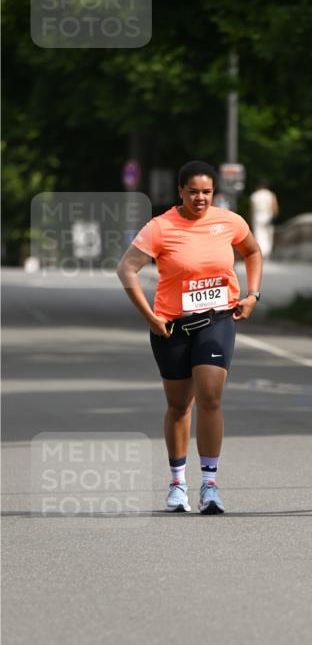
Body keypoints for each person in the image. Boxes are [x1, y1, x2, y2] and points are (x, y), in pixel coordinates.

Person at [116, 160, 262, 514]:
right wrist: (149, 316)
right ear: (180, 191)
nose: (200, 198)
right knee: (180, 405)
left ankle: (210, 485)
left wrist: (253, 294)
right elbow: (127, 269)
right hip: (172, 327)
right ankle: (177, 483)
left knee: (210, 397)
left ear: (216, 193)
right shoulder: (160, 227)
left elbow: (253, 251)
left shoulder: (229, 221)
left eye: (207, 192)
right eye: (193, 191)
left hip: (217, 319)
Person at [249, 179, 279, 257]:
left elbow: (253, 209)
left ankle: (260, 251)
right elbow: (274, 207)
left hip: (258, 216)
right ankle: (267, 252)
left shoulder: (254, 195)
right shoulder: (271, 195)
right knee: (268, 234)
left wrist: (251, 218)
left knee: (259, 234)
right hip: (268, 215)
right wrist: (274, 216)